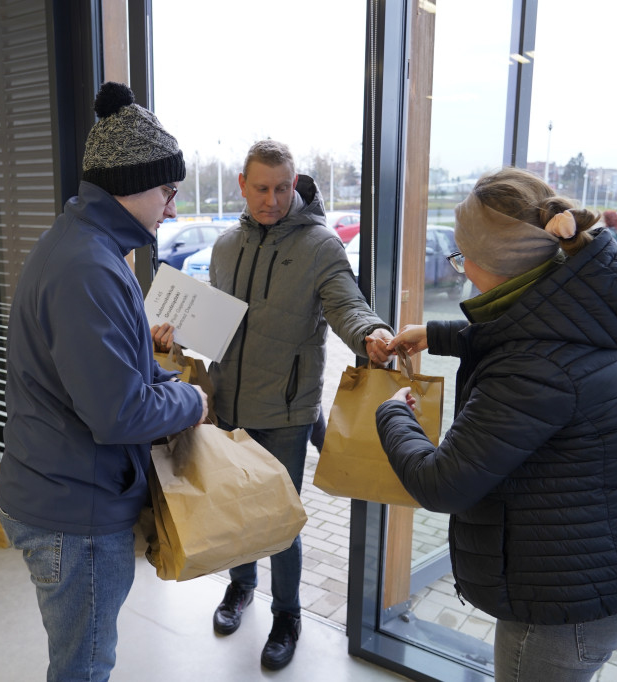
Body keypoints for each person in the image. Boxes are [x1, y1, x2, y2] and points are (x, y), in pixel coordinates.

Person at [375, 167, 617, 682]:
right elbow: (522, 330)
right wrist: (440, 334)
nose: (463, 268)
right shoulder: (587, 299)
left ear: (501, 264)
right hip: (599, 560)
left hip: (565, 597)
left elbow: (443, 483)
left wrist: (393, 413)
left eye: (465, 257)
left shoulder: (535, 365)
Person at [0, 81, 208, 682]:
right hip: (74, 510)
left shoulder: (85, 248)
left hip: (61, 485)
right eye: (169, 190)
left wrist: (156, 372)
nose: (172, 207)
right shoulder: (89, 267)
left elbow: (103, 374)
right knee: (84, 666)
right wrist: (190, 399)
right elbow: (117, 413)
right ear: (133, 184)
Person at [200, 139, 393, 670]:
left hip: (286, 411)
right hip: (228, 408)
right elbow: (214, 323)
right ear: (242, 184)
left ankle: (288, 614)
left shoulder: (320, 247)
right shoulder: (224, 247)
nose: (272, 199)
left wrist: (371, 332)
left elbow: (346, 304)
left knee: (281, 523)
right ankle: (241, 588)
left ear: (295, 183)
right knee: (239, 511)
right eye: (261, 188)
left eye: (282, 187)